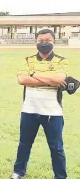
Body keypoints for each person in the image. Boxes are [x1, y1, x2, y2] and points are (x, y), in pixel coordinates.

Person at [10, 29, 69, 179]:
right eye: (40, 40)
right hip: (29, 109)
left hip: (53, 112)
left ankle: (60, 176)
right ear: (35, 42)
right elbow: (22, 80)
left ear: (54, 42)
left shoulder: (61, 60)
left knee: (56, 148)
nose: (44, 43)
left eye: (48, 40)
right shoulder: (28, 60)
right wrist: (51, 79)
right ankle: (18, 172)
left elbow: (60, 79)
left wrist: (34, 74)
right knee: (24, 144)